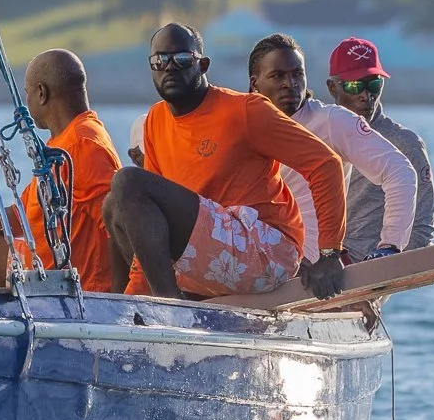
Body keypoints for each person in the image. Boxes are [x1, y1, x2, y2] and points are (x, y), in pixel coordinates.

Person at [103, 23, 346, 300]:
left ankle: (168, 305)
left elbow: (326, 164)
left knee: (128, 180)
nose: (170, 68)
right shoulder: (155, 120)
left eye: (182, 60)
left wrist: (329, 255)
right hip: (211, 253)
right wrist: (135, 295)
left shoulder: (245, 111)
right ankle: (152, 301)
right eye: (160, 61)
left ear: (203, 65)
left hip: (267, 251)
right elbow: (148, 222)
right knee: (114, 203)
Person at [249, 33, 416, 263]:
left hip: (315, 265)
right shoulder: (239, 123)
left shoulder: (332, 120)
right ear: (254, 82)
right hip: (252, 258)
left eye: (298, 74)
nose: (290, 84)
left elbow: (399, 170)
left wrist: (390, 245)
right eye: (278, 76)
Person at [0, 49, 122, 291]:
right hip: (39, 267)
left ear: (41, 93)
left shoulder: (83, 145)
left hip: (74, 287)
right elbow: (21, 217)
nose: (27, 101)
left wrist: (119, 300)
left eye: (27, 93)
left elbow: (119, 227)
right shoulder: (60, 143)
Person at [325, 37, 434, 259]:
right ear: (332, 87)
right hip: (314, 264)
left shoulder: (406, 143)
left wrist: (381, 270)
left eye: (374, 83)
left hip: (371, 270)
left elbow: (422, 229)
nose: (366, 95)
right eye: (354, 85)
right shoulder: (312, 132)